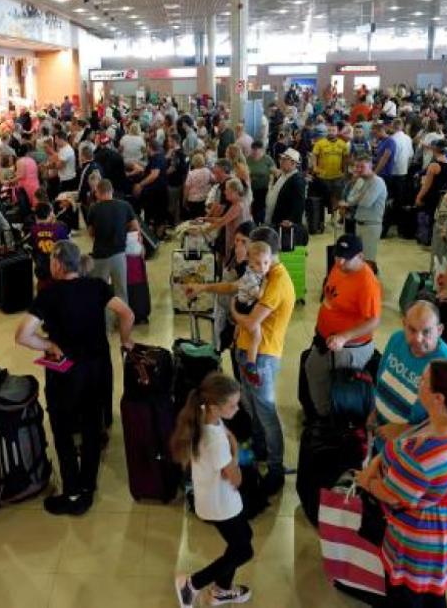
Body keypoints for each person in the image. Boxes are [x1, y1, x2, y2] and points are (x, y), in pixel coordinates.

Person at [15, 241, 135, 516]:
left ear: (57, 263)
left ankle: (71, 491)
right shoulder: (97, 286)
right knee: (93, 425)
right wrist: (126, 340)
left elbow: (23, 335)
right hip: (97, 367)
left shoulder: (48, 295)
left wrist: (48, 345)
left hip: (66, 371)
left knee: (63, 428)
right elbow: (127, 313)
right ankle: (87, 488)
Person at [356, 361, 447, 608]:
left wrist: (367, 482)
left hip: (421, 547)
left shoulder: (424, 457)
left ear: (438, 398)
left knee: (405, 598)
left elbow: (393, 496)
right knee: (432, 595)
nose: (419, 383)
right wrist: (376, 463)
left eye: (423, 380)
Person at [172, 373, 253, 608]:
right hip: (221, 505)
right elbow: (235, 479)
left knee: (243, 540)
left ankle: (222, 590)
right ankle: (192, 584)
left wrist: (229, 439)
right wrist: (235, 451)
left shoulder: (205, 414)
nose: (237, 409)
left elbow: (224, 432)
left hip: (213, 498)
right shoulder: (215, 442)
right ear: (216, 407)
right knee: (243, 551)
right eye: (233, 405)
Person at [231, 238, 296, 493]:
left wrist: (235, 313)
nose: (260, 265)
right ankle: (260, 450)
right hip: (249, 352)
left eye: (264, 260)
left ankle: (276, 468)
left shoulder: (278, 280)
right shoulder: (264, 274)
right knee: (252, 406)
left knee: (266, 412)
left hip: (263, 358)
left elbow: (249, 322)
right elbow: (238, 287)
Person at [371, 301, 447, 442]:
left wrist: (406, 430)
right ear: (404, 324)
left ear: (439, 330)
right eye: (412, 330)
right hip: (380, 433)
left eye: (426, 332)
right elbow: (382, 379)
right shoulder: (396, 339)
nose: (418, 339)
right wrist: (375, 411)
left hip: (408, 444)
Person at [313, 233, 383, 381]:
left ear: (361, 257)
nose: (340, 262)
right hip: (325, 340)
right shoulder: (339, 267)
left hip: (348, 349)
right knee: (314, 372)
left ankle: (326, 405)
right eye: (338, 256)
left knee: (338, 389)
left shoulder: (367, 284)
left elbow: (374, 321)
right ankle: (320, 405)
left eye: (347, 258)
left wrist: (344, 337)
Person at [86, 179, 139, 304]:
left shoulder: (93, 209)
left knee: (101, 292)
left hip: (100, 255)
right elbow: (135, 227)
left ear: (97, 192)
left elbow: (90, 232)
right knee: (121, 291)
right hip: (119, 254)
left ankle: (104, 321)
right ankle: (122, 321)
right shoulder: (125, 205)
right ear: (112, 191)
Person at [341, 152, 388, 268]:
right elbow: (350, 198)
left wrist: (355, 199)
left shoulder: (378, 182)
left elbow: (366, 202)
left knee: (368, 260)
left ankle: (372, 283)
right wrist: (359, 197)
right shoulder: (360, 181)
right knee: (360, 258)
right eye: (357, 166)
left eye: (362, 166)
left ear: (370, 166)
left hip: (372, 225)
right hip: (359, 223)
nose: (358, 169)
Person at [29, 202, 69, 292]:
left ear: (36, 216)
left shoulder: (33, 230)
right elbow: (67, 247)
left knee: (43, 291)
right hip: (57, 267)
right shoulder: (59, 228)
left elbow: (33, 248)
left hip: (41, 268)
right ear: (50, 214)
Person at [266, 148, 307, 231]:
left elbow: (299, 204)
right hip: (276, 221)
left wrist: (291, 221)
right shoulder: (283, 175)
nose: (281, 162)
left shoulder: (297, 180)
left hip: (285, 226)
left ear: (293, 163)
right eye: (281, 159)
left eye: (284, 159)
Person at [311, 123, 350, 207]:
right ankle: (325, 213)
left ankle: (334, 214)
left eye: (333, 130)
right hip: (323, 175)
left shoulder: (343, 144)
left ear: (337, 132)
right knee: (325, 197)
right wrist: (314, 167)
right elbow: (314, 155)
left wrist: (345, 171)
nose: (331, 132)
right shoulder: (320, 143)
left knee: (337, 196)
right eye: (329, 130)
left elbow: (346, 158)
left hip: (338, 175)